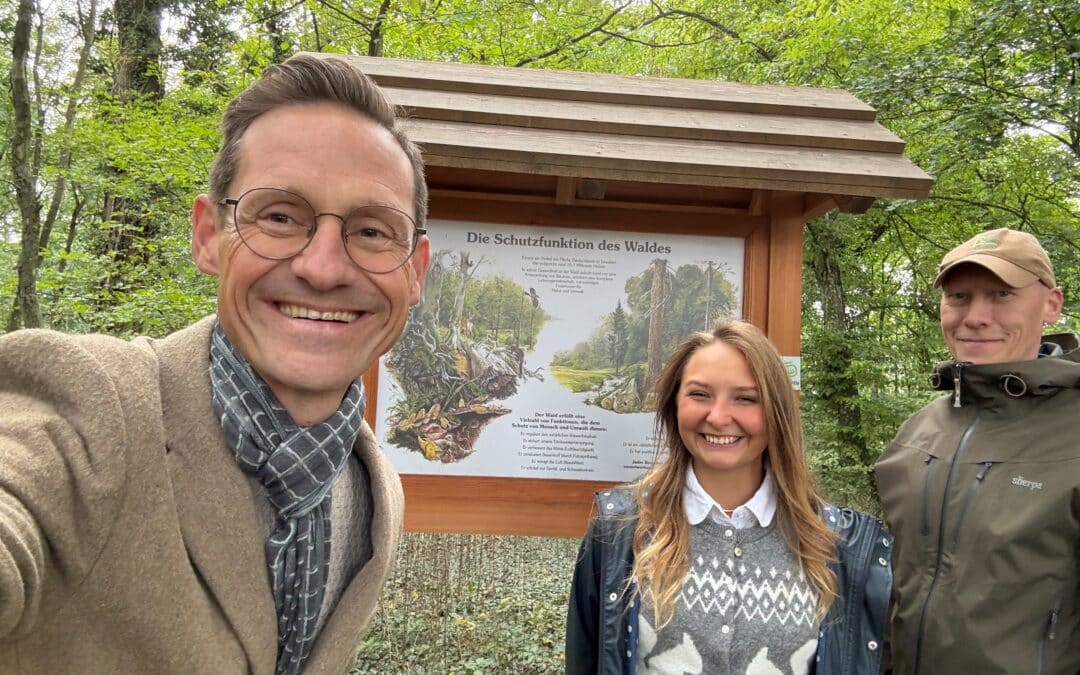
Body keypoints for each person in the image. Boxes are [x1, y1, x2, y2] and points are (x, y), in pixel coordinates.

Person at [0, 54, 430, 674]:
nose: (324, 268)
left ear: (413, 272)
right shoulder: (89, 407)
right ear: (208, 236)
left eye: (371, 231)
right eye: (280, 217)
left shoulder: (374, 486)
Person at [566, 319, 892, 675]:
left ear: (777, 412)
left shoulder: (835, 543)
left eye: (746, 398)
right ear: (673, 405)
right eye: (699, 394)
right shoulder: (621, 529)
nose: (719, 417)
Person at [875, 227, 1078, 674]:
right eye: (959, 296)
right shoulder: (915, 436)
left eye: (1002, 294)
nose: (976, 317)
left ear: (1051, 304)